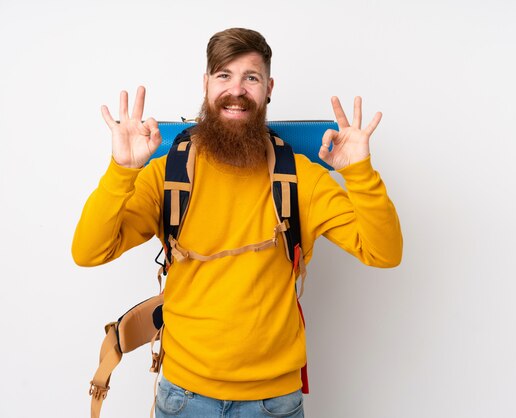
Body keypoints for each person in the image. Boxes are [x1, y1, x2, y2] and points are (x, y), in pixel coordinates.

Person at [73, 27, 402, 418]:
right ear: (206, 84)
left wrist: (360, 174)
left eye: (251, 77)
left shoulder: (302, 178)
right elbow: (89, 252)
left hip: (274, 403)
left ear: (268, 88)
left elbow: (384, 253)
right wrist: (121, 171)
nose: (237, 89)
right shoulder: (168, 173)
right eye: (224, 75)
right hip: (183, 397)